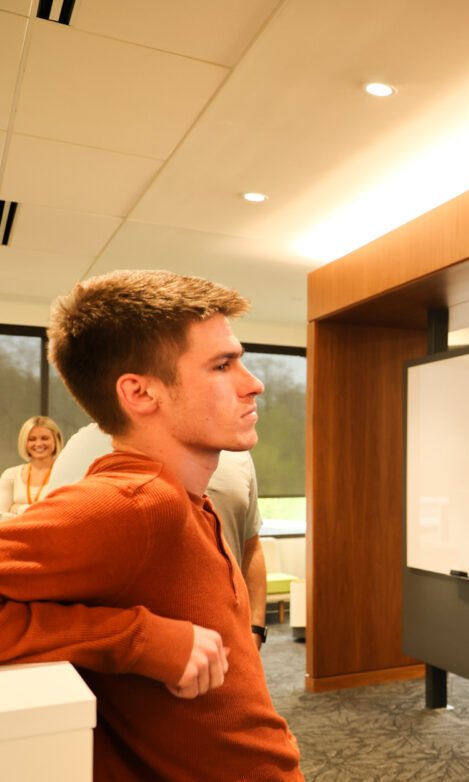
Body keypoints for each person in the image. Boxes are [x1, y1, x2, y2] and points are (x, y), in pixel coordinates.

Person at [0, 270, 302, 780]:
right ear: (140, 393)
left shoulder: (183, 498)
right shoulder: (135, 503)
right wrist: (138, 640)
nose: (254, 383)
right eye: (222, 365)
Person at [48, 424, 271, 649]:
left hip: (228, 645)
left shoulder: (236, 451)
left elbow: (250, 545)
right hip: (127, 653)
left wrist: (255, 630)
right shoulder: (80, 449)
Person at [0, 415, 64, 519]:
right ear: (24, 442)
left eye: (45, 438)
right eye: (32, 439)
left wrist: (18, 508)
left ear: (56, 440)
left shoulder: (66, 474)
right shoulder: (11, 474)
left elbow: (62, 514)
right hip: (14, 530)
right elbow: (1, 516)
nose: (39, 444)